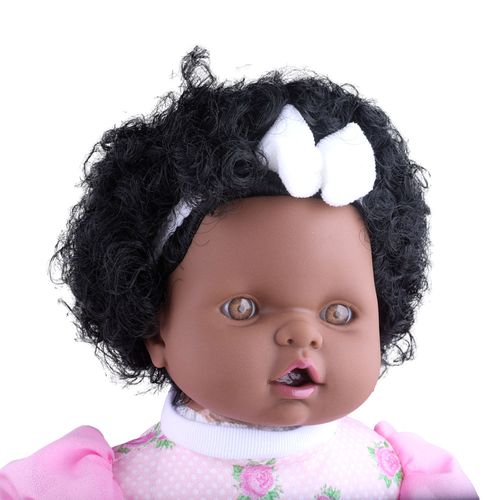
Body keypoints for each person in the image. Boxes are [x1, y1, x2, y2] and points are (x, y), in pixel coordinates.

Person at [0, 46, 478, 499]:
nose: (302, 334)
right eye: (243, 308)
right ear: (155, 328)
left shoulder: (402, 478)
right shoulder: (101, 487)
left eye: (339, 313)